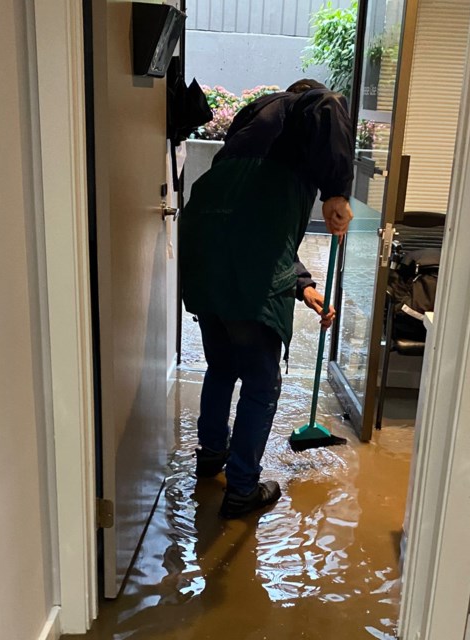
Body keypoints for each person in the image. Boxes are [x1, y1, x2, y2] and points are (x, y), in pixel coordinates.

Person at [179, 79, 354, 518]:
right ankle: (241, 489)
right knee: (261, 383)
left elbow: (252, 226)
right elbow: (328, 103)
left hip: (204, 257)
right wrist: (336, 191)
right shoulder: (303, 109)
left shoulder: (247, 134)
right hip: (245, 268)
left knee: (221, 368)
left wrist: (304, 286)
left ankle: (211, 456)